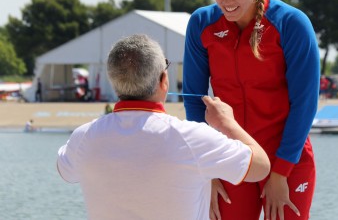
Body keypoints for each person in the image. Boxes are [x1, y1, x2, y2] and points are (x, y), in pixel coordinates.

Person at [56, 34, 270, 220]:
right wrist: (228, 123)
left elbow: (64, 170)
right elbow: (261, 166)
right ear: (163, 80)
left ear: (114, 81)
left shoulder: (84, 137)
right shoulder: (191, 138)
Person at [183, 0, 320, 220]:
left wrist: (280, 173)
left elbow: (305, 104)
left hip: (288, 159)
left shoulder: (291, 24)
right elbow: (196, 101)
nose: (226, 0)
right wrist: (207, 169)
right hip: (231, 158)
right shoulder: (201, 24)